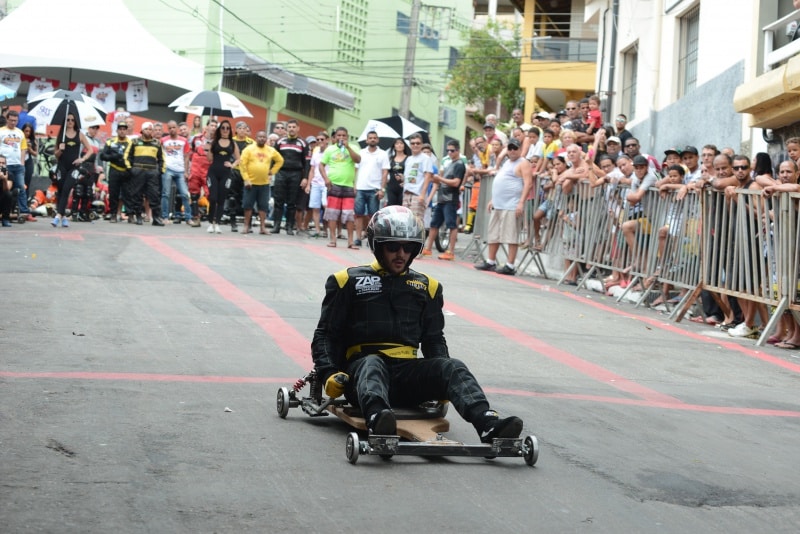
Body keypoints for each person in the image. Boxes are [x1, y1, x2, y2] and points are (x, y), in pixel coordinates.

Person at [311, 205, 524, 442]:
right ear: (377, 245)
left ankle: (488, 423)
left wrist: (442, 382)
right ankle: (378, 418)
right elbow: (326, 335)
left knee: (453, 366)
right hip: (361, 373)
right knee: (373, 363)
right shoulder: (346, 281)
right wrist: (329, 373)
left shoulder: (428, 287)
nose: (401, 254)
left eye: (408, 247)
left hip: (406, 374)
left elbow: (433, 340)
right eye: (392, 247)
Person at [474, 137, 534, 275]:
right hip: (499, 204)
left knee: (511, 236)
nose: (512, 151)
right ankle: (491, 261)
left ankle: (510, 265)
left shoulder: (523, 162)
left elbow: (528, 183)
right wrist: (493, 199)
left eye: (515, 148)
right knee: (493, 233)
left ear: (520, 149)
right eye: (510, 148)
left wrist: (521, 202)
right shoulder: (507, 162)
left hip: (511, 205)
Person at [422, 140, 466, 260]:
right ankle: (428, 248)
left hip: (451, 198)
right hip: (442, 198)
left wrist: (440, 179)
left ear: (458, 150)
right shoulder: (449, 164)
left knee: (451, 225)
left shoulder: (459, 165)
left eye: (452, 150)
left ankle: (450, 251)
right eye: (448, 150)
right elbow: (443, 180)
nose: (450, 153)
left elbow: (456, 182)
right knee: (434, 224)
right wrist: (434, 179)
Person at [319, 126, 361, 248]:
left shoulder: (353, 147)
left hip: (348, 186)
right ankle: (333, 240)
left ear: (347, 137)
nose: (341, 137)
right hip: (334, 185)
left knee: (349, 215)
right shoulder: (330, 149)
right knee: (332, 214)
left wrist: (348, 148)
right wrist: (326, 179)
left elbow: (358, 160)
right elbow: (321, 165)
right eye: (339, 135)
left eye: (344, 135)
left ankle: (350, 242)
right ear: (335, 137)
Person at [52, 113, 94, 228]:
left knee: (66, 189)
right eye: (68, 120)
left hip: (74, 167)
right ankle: (64, 217)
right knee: (61, 190)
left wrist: (82, 159)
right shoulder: (61, 135)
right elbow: (56, 155)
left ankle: (58, 216)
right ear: (65, 121)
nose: (70, 122)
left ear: (75, 122)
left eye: (72, 120)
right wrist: (60, 150)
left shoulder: (79, 135)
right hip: (61, 166)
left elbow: (90, 150)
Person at [239, 130, 283, 235]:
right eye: (259, 137)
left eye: (264, 137)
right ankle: (246, 226)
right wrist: (246, 179)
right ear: (256, 137)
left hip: (264, 183)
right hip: (250, 183)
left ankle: (262, 228)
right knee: (248, 205)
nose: (262, 139)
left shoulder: (270, 150)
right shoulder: (248, 149)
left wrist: (272, 171)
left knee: (263, 206)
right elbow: (242, 164)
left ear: (266, 139)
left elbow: (280, 160)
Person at [125, 122, 166, 227]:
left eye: (150, 129)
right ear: (142, 130)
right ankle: (138, 216)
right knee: (136, 194)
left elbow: (162, 158)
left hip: (152, 172)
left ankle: (156, 218)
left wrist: (160, 171)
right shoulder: (134, 142)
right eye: (147, 129)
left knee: (154, 195)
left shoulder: (157, 143)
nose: (149, 131)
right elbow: (126, 156)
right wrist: (130, 169)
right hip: (138, 171)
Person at [271, 119, 308, 235]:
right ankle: (276, 225)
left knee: (292, 202)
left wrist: (305, 177)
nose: (291, 129)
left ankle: (289, 227)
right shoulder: (280, 141)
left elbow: (307, 162)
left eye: (294, 127)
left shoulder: (303, 143)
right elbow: (273, 159)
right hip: (281, 173)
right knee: (278, 200)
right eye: (290, 127)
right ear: (287, 129)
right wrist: (271, 173)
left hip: (296, 174)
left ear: (298, 128)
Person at [354, 130, 389, 246]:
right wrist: (354, 185)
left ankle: (370, 238)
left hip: (374, 189)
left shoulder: (383, 154)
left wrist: (382, 189)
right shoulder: (361, 153)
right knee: (358, 214)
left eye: (375, 137)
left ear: (377, 140)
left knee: (373, 216)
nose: (372, 139)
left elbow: (385, 173)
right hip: (360, 188)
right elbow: (356, 169)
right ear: (367, 140)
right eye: (370, 138)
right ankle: (358, 238)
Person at [205, 119, 240, 233]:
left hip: (226, 174)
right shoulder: (214, 142)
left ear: (230, 130)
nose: (225, 130)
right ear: (219, 130)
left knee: (221, 199)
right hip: (213, 173)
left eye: (227, 128)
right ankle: (211, 223)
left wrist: (232, 165)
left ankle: (218, 223)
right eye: (223, 128)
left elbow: (239, 158)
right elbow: (209, 159)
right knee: (213, 198)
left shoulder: (233, 143)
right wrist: (209, 148)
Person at [0, 110, 36, 221]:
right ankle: (5, 212)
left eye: (15, 121)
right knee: (5, 188)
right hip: (5, 164)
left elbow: (23, 148)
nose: (13, 123)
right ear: (7, 119)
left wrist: (22, 163)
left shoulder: (20, 132)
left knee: (21, 187)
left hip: (17, 165)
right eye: (11, 120)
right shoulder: (1, 131)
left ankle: (24, 211)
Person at [160, 120, 196, 226]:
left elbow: (186, 157)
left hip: (180, 170)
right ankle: (165, 217)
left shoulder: (184, 141)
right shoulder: (163, 140)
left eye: (173, 127)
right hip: (167, 169)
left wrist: (186, 171)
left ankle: (189, 218)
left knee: (185, 194)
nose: (172, 130)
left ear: (177, 128)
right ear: (168, 129)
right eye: (169, 128)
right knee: (165, 194)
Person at [99, 121, 133, 223]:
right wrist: (113, 157)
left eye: (124, 129)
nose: (122, 131)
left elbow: (134, 157)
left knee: (128, 194)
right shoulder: (110, 142)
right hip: (114, 170)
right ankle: (113, 214)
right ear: (117, 130)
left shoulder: (131, 143)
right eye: (120, 129)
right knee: (113, 194)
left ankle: (130, 214)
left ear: (127, 130)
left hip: (127, 171)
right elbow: (102, 156)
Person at [187, 119, 215, 226]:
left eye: (215, 126)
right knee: (194, 194)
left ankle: (212, 219)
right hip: (196, 168)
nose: (213, 127)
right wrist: (187, 169)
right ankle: (196, 218)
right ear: (206, 126)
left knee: (211, 194)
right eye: (211, 125)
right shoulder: (197, 138)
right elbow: (190, 152)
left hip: (209, 169)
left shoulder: (217, 141)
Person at [401, 133, 434, 221]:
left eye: (418, 143)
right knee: (405, 221)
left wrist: (422, 195)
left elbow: (427, 177)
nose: (415, 145)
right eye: (413, 143)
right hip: (406, 194)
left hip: (417, 195)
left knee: (416, 222)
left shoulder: (425, 158)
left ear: (422, 144)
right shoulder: (408, 159)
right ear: (409, 144)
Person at [306, 131, 329, 237]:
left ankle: (325, 229)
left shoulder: (331, 152)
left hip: (327, 183)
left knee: (326, 206)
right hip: (315, 183)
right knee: (315, 207)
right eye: (318, 139)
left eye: (322, 139)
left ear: (327, 140)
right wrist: (308, 184)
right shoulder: (315, 153)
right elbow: (312, 169)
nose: (320, 141)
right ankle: (317, 230)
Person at [386, 137, 408, 207]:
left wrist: (404, 178)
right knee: (391, 208)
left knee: (401, 208)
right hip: (391, 187)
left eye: (401, 143)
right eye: (397, 143)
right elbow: (386, 172)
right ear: (394, 146)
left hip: (403, 187)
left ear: (404, 145)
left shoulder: (408, 159)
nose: (399, 145)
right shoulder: (390, 159)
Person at [21, 122, 37, 198]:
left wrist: (30, 149)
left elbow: (36, 153)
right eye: (26, 131)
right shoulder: (19, 139)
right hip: (20, 161)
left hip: (28, 162)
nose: (27, 133)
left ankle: (26, 199)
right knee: (20, 182)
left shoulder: (33, 141)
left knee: (27, 182)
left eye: (29, 131)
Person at [0, 155, 13, 227]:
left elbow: (7, 189)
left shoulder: (9, 174)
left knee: (8, 194)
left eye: (3, 163)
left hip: (1, 201)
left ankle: (5, 219)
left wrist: (4, 179)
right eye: (0, 163)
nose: (1, 165)